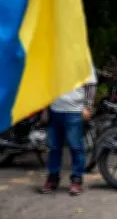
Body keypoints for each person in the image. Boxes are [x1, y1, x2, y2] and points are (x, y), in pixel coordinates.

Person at [40, 65, 97, 196]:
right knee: (53, 147)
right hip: (55, 110)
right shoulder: (54, 60)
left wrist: (88, 106)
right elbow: (47, 85)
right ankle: (52, 178)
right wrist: (45, 109)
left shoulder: (83, 59)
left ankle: (76, 180)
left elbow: (91, 85)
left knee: (75, 146)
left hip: (75, 111)